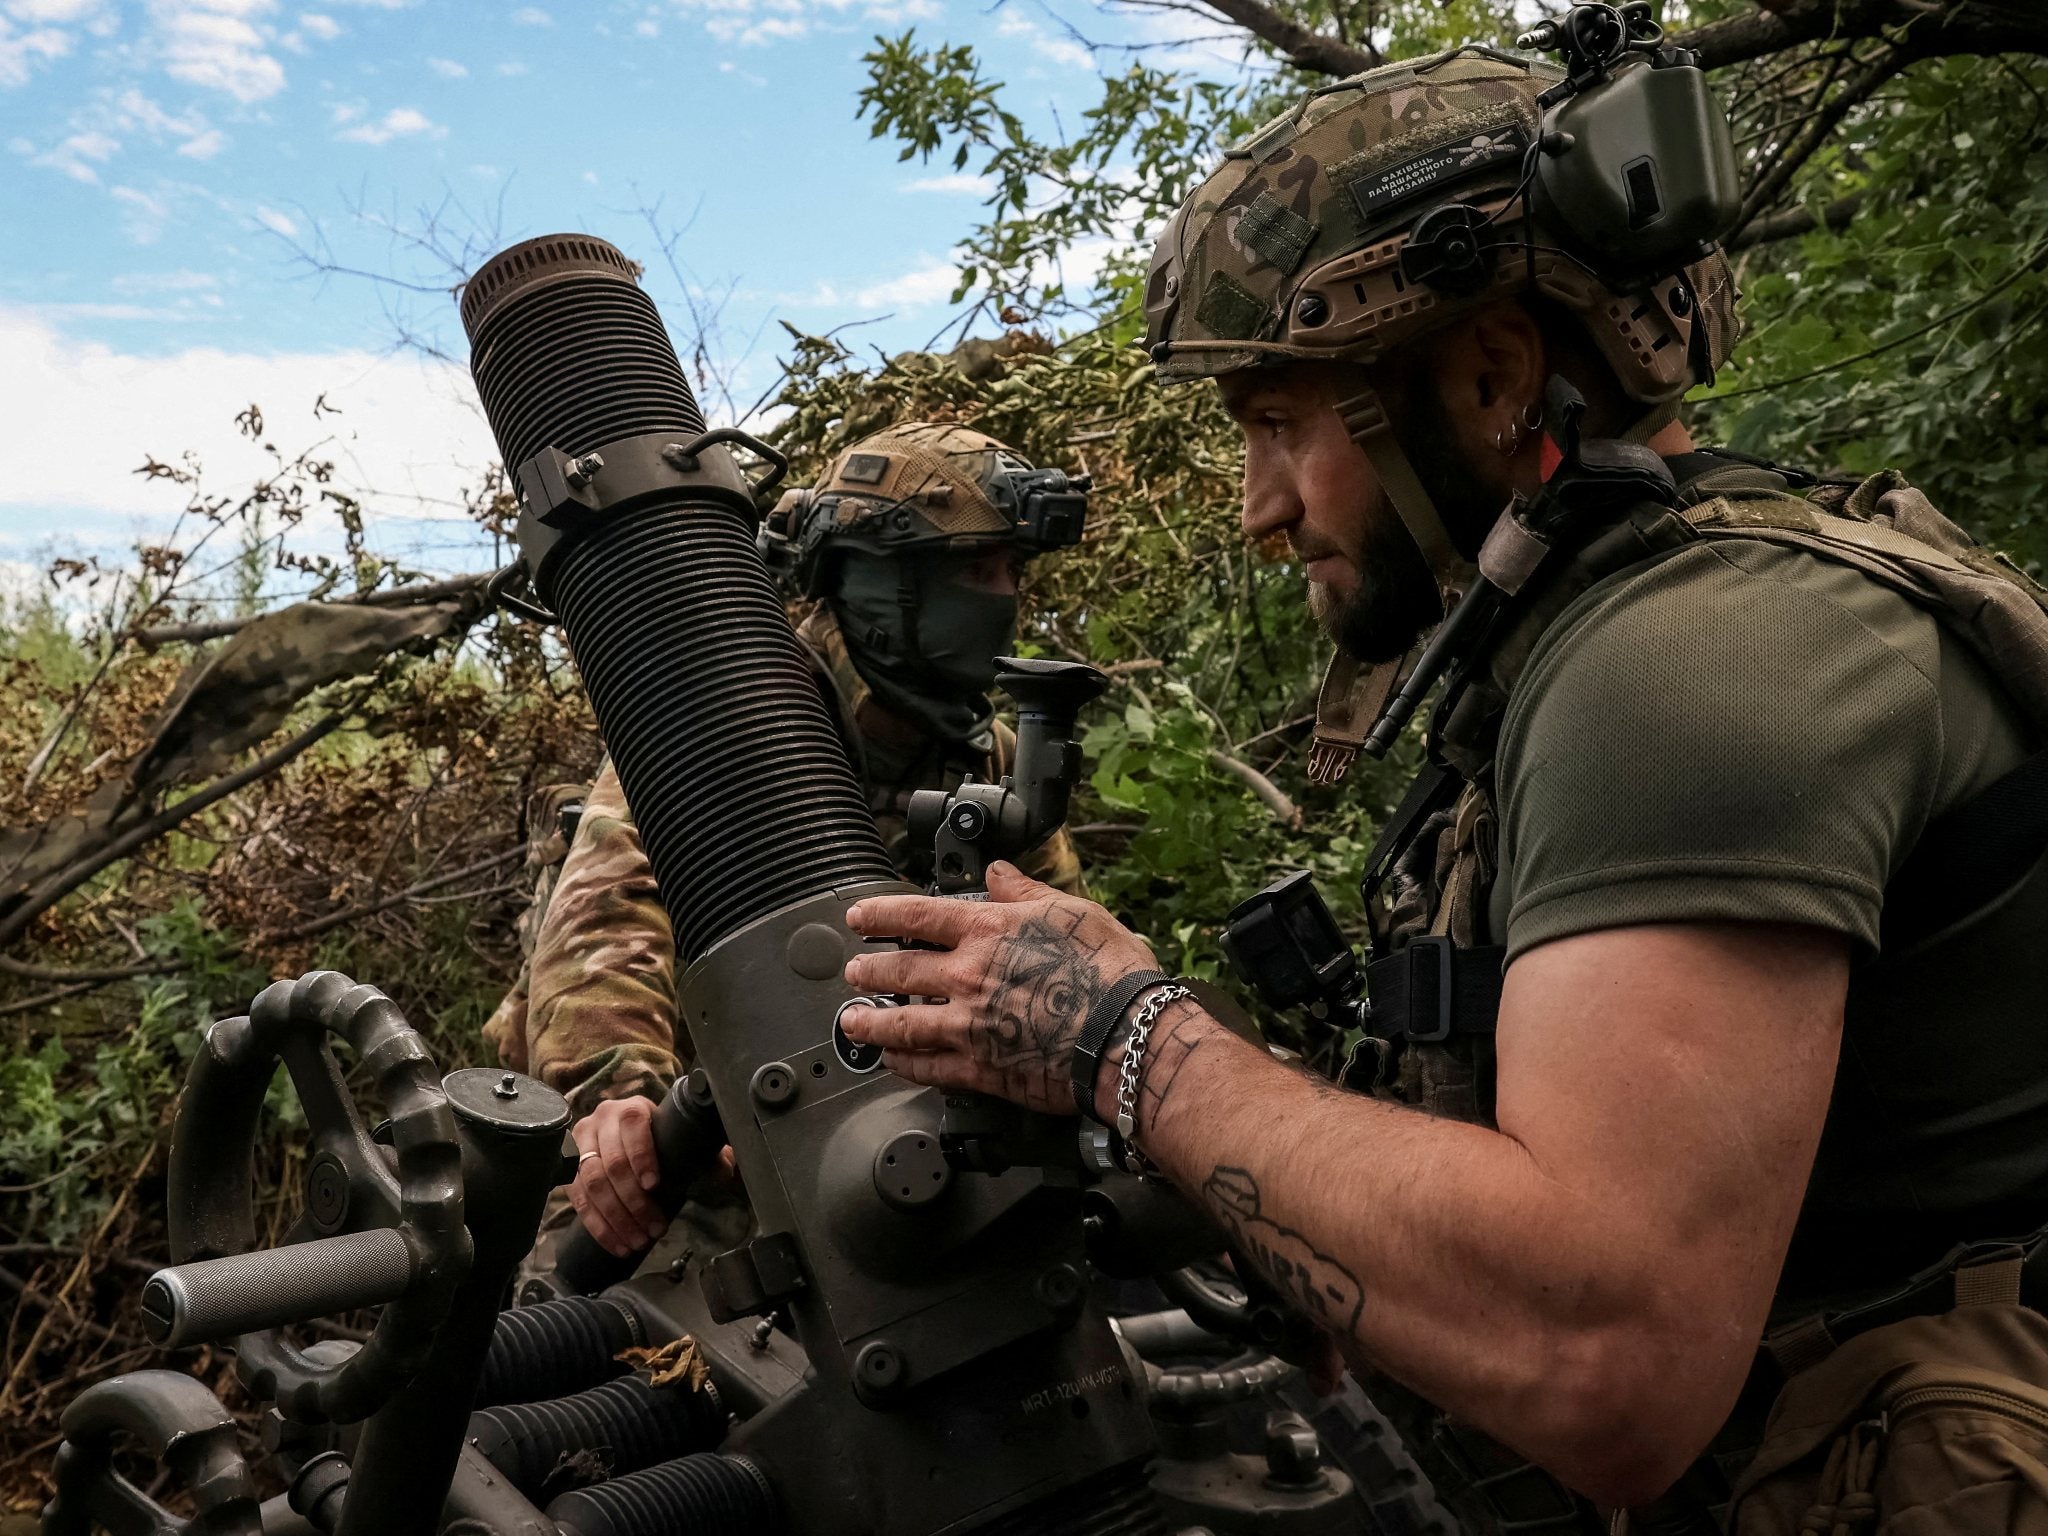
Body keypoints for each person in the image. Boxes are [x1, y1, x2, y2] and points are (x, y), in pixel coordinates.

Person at [833, 42, 2048, 1532]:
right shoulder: (1632, 614)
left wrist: (1127, 1042)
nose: (1260, 509)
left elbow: (1605, 1353)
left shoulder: (1698, 657)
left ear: (1489, 375)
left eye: (1281, 427)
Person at [484, 420, 1089, 1258]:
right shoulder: (741, 704)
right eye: (975, 571)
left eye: (1012, 572)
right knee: (579, 1329)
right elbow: (608, 921)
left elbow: (1059, 943)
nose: (1003, 598)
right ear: (878, 586)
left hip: (874, 1123)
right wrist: (620, 1103)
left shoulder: (986, 753)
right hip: (689, 1126)